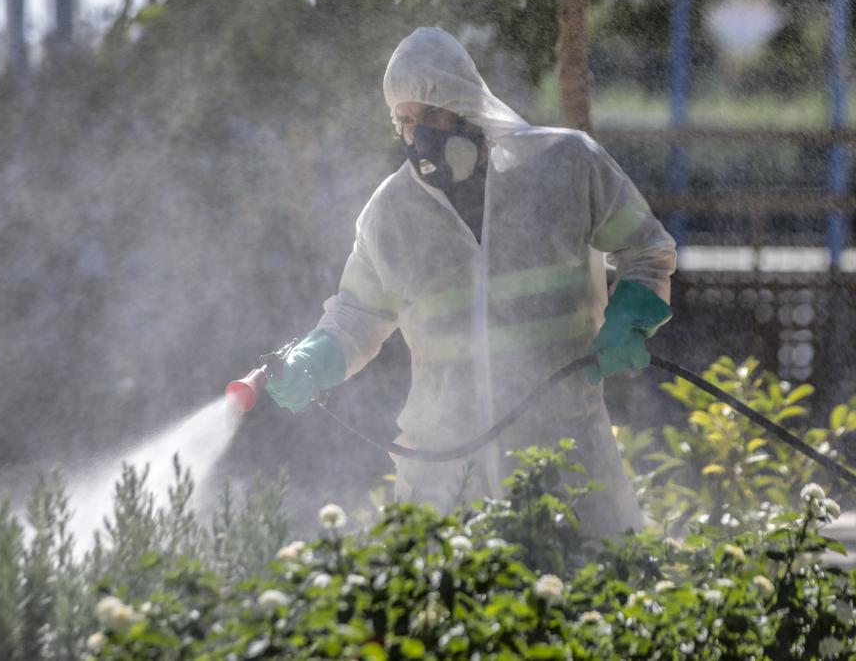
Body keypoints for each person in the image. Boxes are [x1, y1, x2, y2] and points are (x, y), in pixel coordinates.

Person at [265, 27, 676, 537]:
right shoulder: (391, 213)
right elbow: (357, 315)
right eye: (406, 121)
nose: (420, 137)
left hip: (564, 445)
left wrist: (630, 318)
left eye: (432, 115)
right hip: (442, 466)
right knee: (447, 606)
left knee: (583, 593)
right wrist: (314, 357)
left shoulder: (564, 167)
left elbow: (647, 247)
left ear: (467, 110)